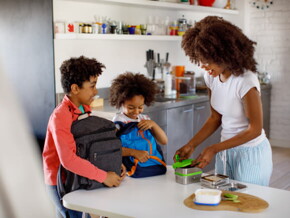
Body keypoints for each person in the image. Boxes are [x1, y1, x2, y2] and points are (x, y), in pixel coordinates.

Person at [174, 16, 273, 186]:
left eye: (208, 60)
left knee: (246, 205)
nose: (203, 66)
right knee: (224, 204)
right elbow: (215, 118)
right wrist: (191, 145)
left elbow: (255, 130)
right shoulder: (211, 77)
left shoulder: (245, 80)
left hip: (250, 154)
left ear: (224, 54)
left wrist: (212, 149)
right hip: (225, 151)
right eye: (200, 60)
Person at [42, 56, 126, 218]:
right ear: (75, 89)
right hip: (61, 181)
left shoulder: (83, 108)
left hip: (79, 177)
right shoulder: (60, 116)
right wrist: (104, 176)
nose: (95, 91)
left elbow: (88, 148)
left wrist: (113, 166)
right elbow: (69, 160)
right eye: (92, 86)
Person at [109, 72, 168, 177]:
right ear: (121, 102)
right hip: (131, 170)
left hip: (153, 166)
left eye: (140, 107)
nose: (136, 111)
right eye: (131, 107)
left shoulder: (145, 119)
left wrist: (153, 124)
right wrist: (134, 152)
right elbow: (112, 149)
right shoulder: (118, 122)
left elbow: (164, 141)